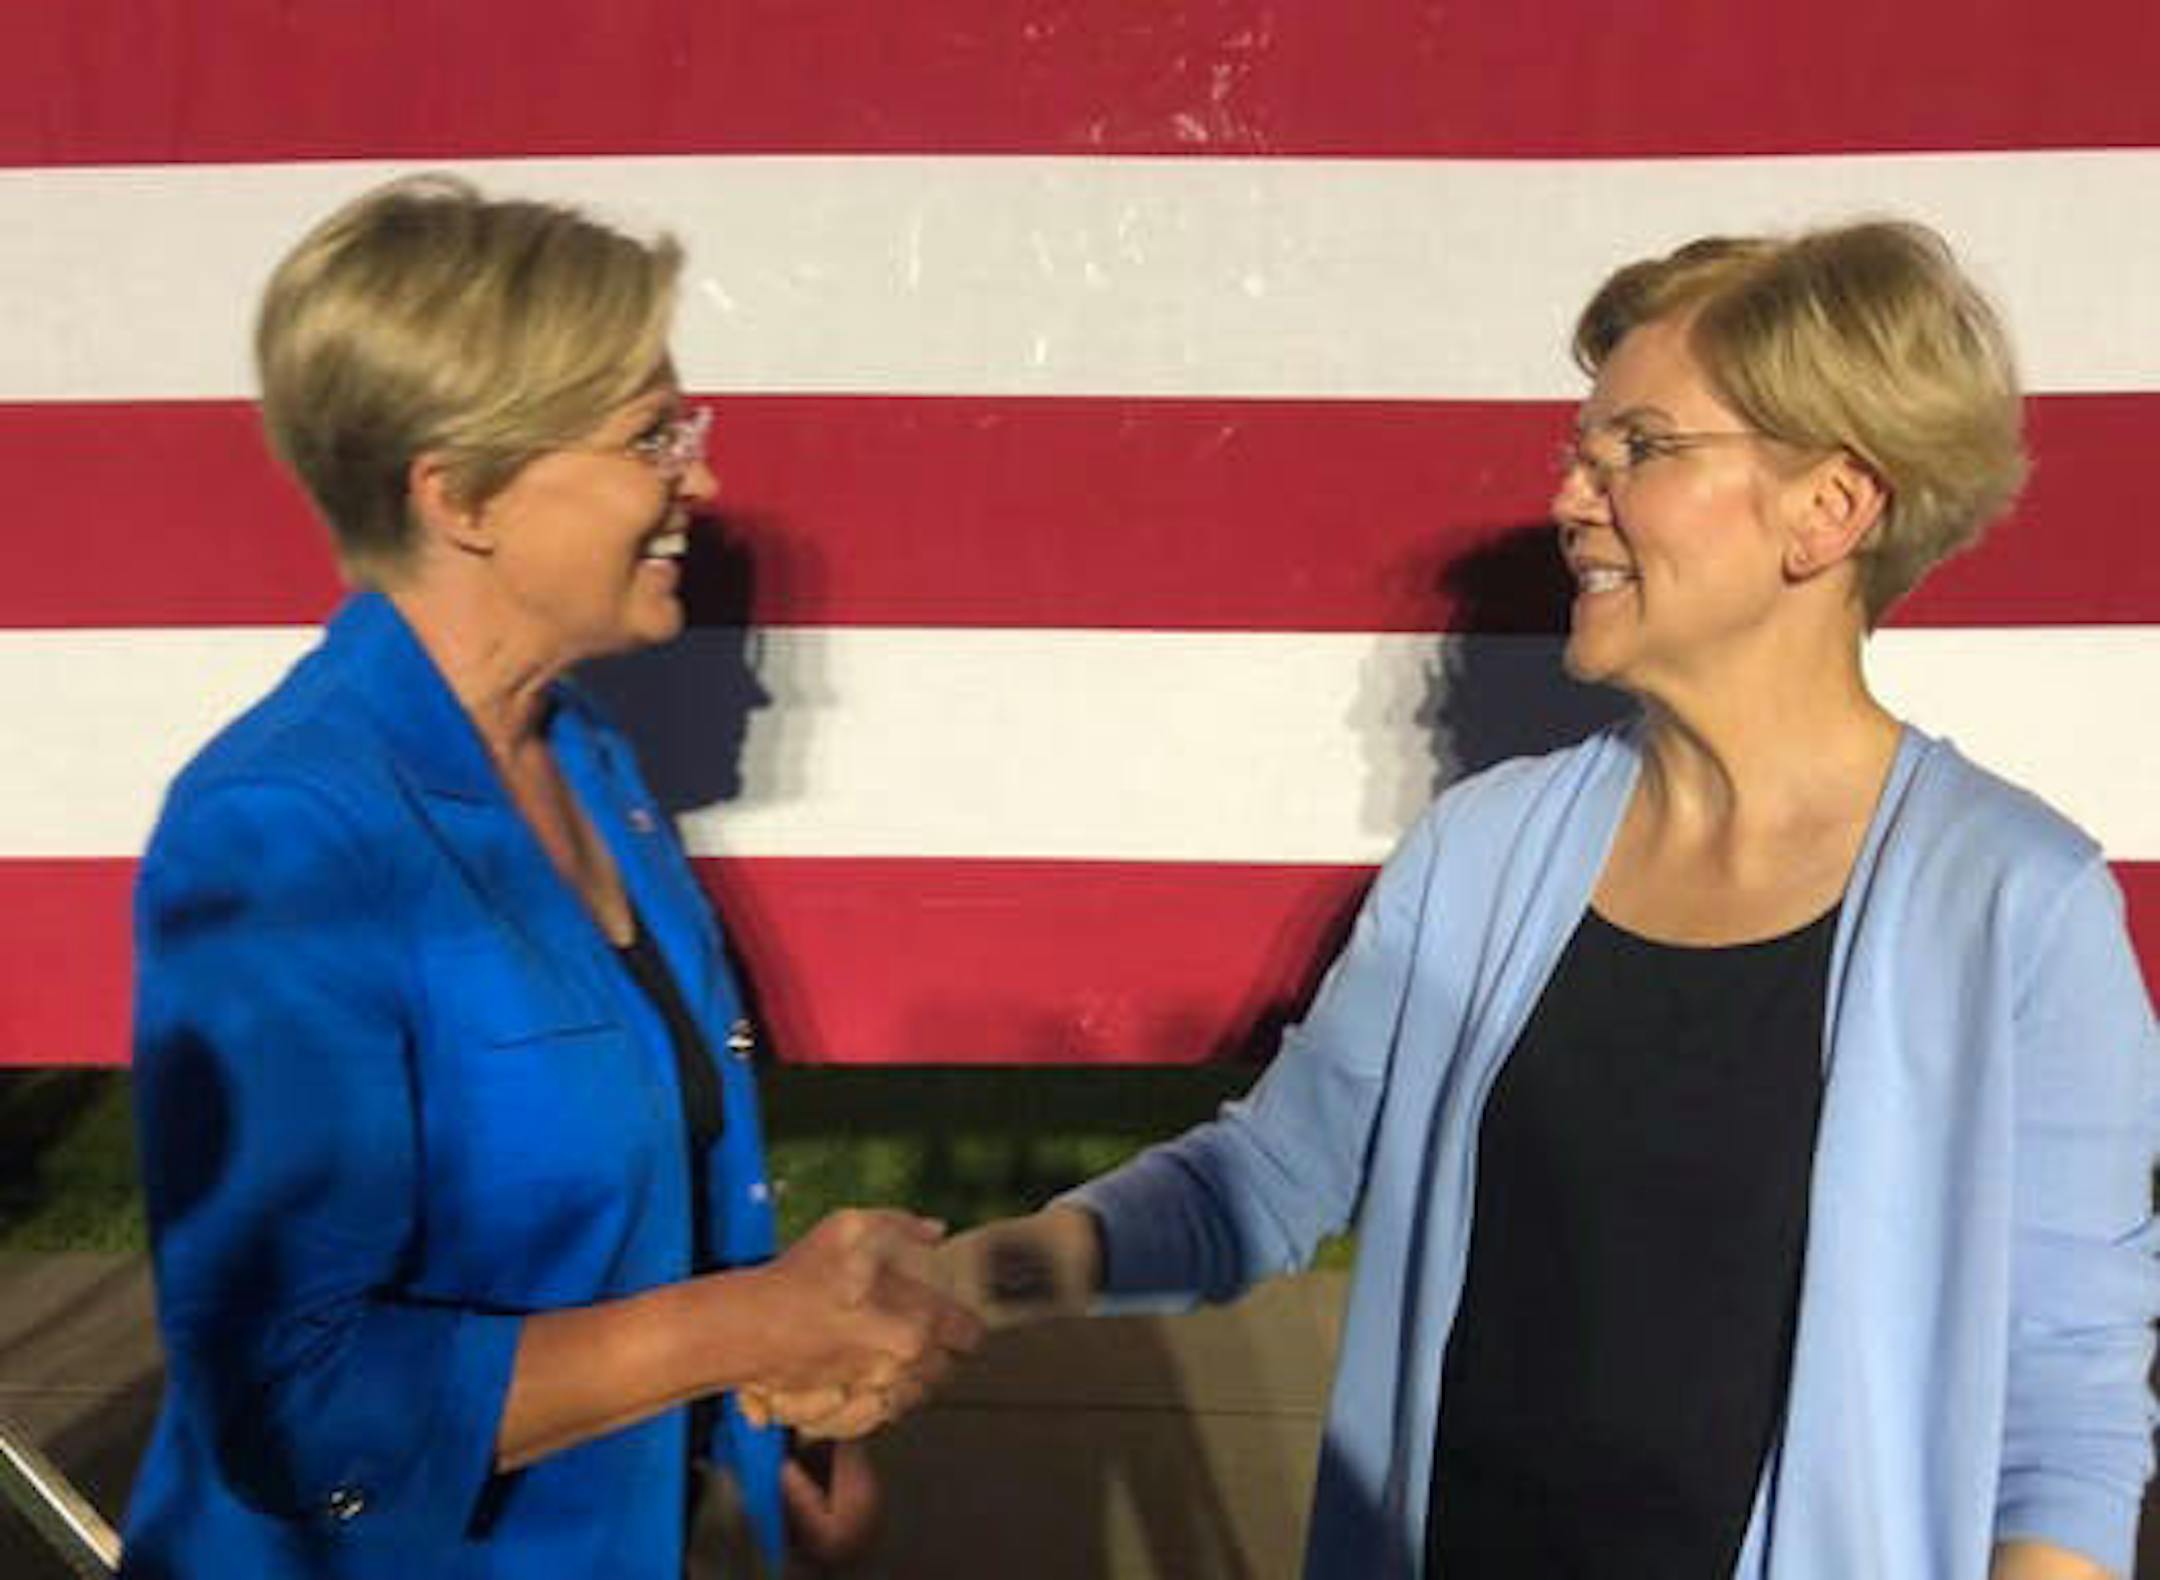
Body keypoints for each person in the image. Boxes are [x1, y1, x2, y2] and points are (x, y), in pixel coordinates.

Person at [933, 222, 2159, 1577]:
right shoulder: (1481, 852)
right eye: (1583, 452)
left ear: (1831, 508)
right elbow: (1264, 1182)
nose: (1573, 498)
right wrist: (960, 1282)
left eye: (1641, 448)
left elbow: (2070, 1407)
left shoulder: (2017, 902)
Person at [122, 175, 981, 1577]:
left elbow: (645, 1213)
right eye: (651, 436)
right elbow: (288, 1402)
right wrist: (747, 1326)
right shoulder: (282, 830)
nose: (699, 481)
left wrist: (784, 1403)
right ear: (459, 494)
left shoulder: (584, 757)